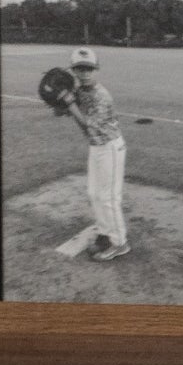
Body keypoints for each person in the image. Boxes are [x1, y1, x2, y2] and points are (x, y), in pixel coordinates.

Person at [60, 47, 127, 262]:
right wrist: (60, 100)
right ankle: (105, 233)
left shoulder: (101, 95)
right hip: (96, 147)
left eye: (89, 69)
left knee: (108, 197)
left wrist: (69, 103)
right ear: (74, 71)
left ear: (96, 70)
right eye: (80, 69)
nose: (85, 73)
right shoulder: (80, 91)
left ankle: (120, 243)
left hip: (110, 148)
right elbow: (60, 111)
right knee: (94, 194)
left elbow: (88, 126)